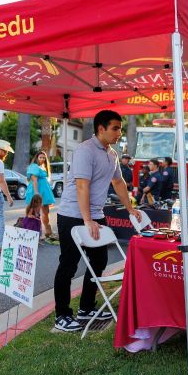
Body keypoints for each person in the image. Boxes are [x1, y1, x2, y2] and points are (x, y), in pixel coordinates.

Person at [53, 110, 140, 332]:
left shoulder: (112, 154)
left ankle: (86, 307)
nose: (119, 132)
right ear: (101, 128)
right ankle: (62, 316)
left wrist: (130, 208)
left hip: (95, 214)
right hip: (73, 214)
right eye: (115, 128)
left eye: (120, 128)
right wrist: (87, 220)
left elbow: (118, 183)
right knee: (68, 265)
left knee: (99, 261)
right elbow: (82, 186)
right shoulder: (85, 150)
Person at [26, 151, 56, 238]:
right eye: (40, 157)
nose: (42, 159)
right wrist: (36, 193)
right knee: (35, 213)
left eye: (43, 158)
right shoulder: (34, 166)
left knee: (46, 212)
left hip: (44, 192)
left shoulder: (42, 167)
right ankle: (35, 234)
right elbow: (34, 181)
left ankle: (48, 230)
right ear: (36, 158)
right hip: (37, 191)